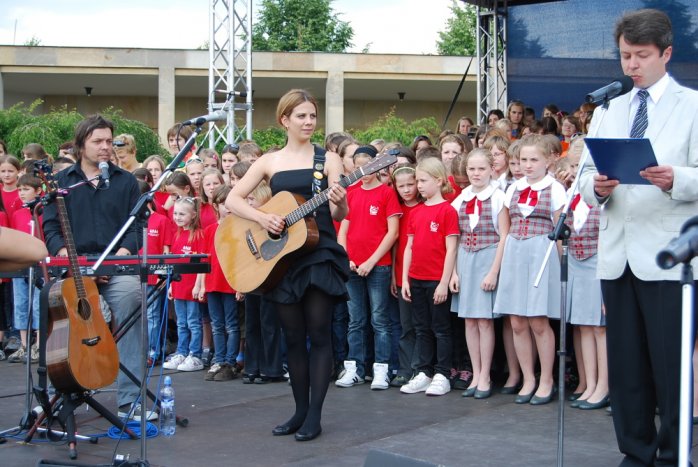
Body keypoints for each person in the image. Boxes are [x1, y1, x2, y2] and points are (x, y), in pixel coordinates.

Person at [578, 9, 698, 465]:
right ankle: (635, 451)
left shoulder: (693, 106)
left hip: (670, 254)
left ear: (666, 53)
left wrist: (676, 179)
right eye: (625, 55)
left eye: (641, 56)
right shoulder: (610, 109)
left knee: (669, 366)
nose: (631, 65)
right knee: (625, 365)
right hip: (617, 254)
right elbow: (587, 175)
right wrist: (597, 188)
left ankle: (673, 455)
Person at [225, 89, 350, 441]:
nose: (309, 122)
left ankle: (315, 415)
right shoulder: (268, 161)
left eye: (312, 116)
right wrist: (263, 218)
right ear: (285, 120)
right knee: (293, 338)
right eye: (302, 116)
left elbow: (340, 213)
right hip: (281, 260)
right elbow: (234, 199)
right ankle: (298, 411)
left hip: (319, 253)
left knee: (319, 334)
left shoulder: (328, 160)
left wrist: (339, 202)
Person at [42, 114, 154, 421]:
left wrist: (116, 260)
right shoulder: (62, 183)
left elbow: (136, 226)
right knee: (54, 309)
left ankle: (130, 401)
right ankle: (59, 395)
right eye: (98, 142)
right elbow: (50, 228)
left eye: (110, 141)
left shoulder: (127, 181)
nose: (106, 147)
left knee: (132, 298)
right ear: (80, 145)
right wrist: (72, 260)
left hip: (114, 268)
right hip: (74, 269)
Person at [493, 134, 565, 406]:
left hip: (541, 253)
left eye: (534, 159)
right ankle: (528, 378)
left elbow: (559, 232)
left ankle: (546, 379)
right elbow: (505, 228)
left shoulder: (555, 188)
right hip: (515, 251)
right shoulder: (512, 189)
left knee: (538, 320)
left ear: (547, 161)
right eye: (524, 160)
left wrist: (559, 269)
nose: (528, 165)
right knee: (517, 322)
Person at [337, 145, 401, 391]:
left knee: (379, 320)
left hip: (378, 267)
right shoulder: (351, 193)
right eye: (359, 167)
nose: (365, 172)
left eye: (369, 166)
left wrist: (371, 261)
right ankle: (355, 368)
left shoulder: (386, 193)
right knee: (356, 320)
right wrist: (348, 258)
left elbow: (392, 232)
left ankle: (381, 370)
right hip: (353, 266)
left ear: (377, 165)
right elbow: (343, 230)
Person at [450, 149, 509, 399]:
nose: (476, 173)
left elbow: (504, 235)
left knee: (484, 320)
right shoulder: (460, 199)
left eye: (481, 169)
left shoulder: (498, 198)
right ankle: (475, 372)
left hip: (487, 258)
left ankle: (485, 374)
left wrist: (494, 271)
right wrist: (453, 272)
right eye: (472, 169)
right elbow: (453, 239)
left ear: (491, 170)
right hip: (465, 259)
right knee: (469, 320)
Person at [399, 157, 459, 396]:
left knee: (441, 328)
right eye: (417, 181)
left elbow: (452, 248)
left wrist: (444, 282)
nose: (419, 186)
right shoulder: (417, 212)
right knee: (421, 328)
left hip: (436, 279)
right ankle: (423, 371)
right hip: (417, 278)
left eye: (423, 181)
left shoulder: (447, 211)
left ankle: (443, 373)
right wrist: (405, 278)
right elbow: (409, 247)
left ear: (438, 180)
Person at [198, 185, 241, 382]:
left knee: (231, 325)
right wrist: (200, 285)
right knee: (217, 324)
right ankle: (219, 359)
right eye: (223, 203)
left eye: (230, 202)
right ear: (216, 206)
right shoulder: (209, 230)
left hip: (231, 283)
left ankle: (230, 362)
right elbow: (205, 260)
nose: (227, 207)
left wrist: (241, 285)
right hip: (213, 283)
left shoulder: (239, 228)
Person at [163, 196, 206, 372]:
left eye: (182, 214)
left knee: (193, 322)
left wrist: (198, 285)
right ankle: (181, 351)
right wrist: (171, 285)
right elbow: (174, 263)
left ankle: (195, 355)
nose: (178, 217)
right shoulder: (177, 234)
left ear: (193, 215)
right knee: (181, 322)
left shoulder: (198, 235)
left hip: (192, 287)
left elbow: (201, 262)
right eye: (176, 213)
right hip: (179, 286)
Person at [389, 165, 421, 387]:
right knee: (406, 325)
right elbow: (395, 245)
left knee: (424, 326)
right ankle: (405, 368)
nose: (407, 189)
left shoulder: (425, 207)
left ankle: (422, 368)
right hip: (402, 276)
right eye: (402, 186)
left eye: (411, 184)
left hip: (425, 274)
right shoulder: (397, 211)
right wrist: (393, 274)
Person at [7, 174, 44, 364]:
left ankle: (38, 343)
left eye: (26, 189)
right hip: (19, 265)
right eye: (20, 189)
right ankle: (24, 344)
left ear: (38, 191)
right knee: (21, 303)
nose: (22, 193)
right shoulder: (17, 214)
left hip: (38, 264)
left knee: (38, 304)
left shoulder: (43, 212)